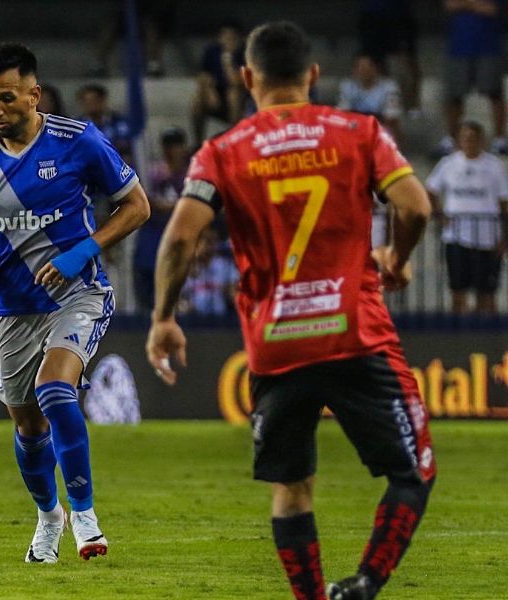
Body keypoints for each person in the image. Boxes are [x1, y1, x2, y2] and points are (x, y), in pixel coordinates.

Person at [146, 22, 436, 600]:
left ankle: (311, 597)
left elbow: (180, 238)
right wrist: (396, 259)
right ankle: (364, 584)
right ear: (313, 76)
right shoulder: (359, 131)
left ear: (246, 77)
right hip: (356, 333)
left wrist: (163, 317)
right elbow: (416, 206)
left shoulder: (222, 152)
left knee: (291, 486)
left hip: (276, 344)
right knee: (413, 472)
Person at [0, 44, 149, 563]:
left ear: (33, 94)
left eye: (5, 97)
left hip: (78, 295)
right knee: (27, 426)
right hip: (11, 311)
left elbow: (137, 207)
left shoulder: (77, 141)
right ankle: (49, 517)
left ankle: (85, 515)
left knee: (54, 389)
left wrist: (82, 250)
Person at [426, 120, 508, 314]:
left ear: (482, 141)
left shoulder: (494, 166)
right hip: (456, 237)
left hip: (487, 238)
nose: (468, 142)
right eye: (465, 138)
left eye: (473, 138)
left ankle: (487, 339)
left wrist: (504, 238)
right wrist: (440, 216)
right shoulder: (448, 164)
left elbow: (504, 203)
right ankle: (459, 339)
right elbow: (430, 190)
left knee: (487, 293)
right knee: (458, 290)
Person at [433, 0, 506, 157]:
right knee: (453, 97)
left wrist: (465, 4)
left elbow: (492, 9)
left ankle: (500, 139)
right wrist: (475, 5)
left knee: (494, 93)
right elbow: (449, 5)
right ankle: (452, 140)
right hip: (458, 46)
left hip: (489, 47)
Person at [133, 127, 189, 311]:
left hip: (176, 239)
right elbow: (144, 200)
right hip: (151, 240)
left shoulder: (190, 175)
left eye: (175, 145)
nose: (171, 150)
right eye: (168, 145)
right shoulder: (153, 174)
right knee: (147, 296)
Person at [358, 0, 421, 116]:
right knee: (376, 63)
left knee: (405, 61)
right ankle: (384, 105)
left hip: (399, 13)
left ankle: (412, 106)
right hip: (371, 14)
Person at [191, 21, 249, 143]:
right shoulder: (211, 50)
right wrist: (210, 91)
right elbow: (203, 75)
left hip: (240, 98)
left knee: (233, 94)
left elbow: (235, 81)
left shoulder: (245, 53)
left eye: (232, 36)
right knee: (198, 101)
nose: (228, 39)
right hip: (216, 94)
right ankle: (197, 143)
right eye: (224, 36)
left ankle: (235, 139)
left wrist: (227, 58)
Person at [337, 54, 403, 143]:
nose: (363, 71)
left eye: (367, 67)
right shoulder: (347, 86)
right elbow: (343, 113)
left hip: (380, 125)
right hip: (355, 126)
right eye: (360, 67)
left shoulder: (389, 86)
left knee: (391, 129)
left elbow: (391, 117)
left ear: (376, 69)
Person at [178, 226, 237, 316]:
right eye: (202, 241)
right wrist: (183, 306)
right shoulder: (185, 268)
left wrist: (230, 292)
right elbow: (175, 300)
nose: (206, 246)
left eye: (210, 241)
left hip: (222, 322)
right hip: (191, 321)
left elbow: (235, 294)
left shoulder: (225, 266)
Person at [76, 83, 133, 165]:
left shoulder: (121, 122)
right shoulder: (77, 127)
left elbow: (127, 149)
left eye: (94, 100)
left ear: (103, 100)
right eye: (86, 101)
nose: (90, 105)